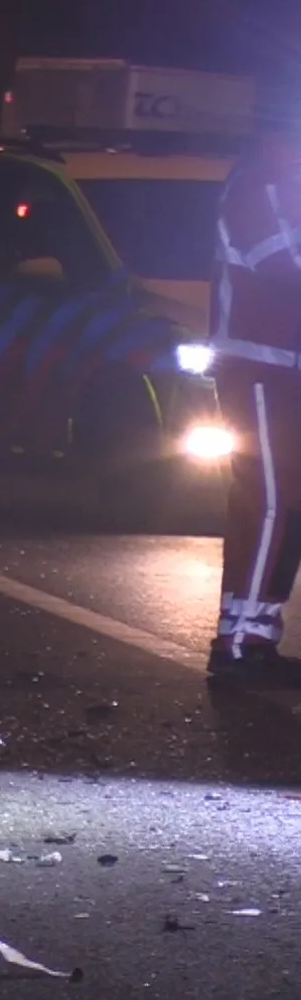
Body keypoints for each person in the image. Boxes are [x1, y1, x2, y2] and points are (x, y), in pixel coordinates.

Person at [207, 118, 301, 685]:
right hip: (258, 365)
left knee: (285, 507)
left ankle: (258, 633)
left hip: (285, 366)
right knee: (267, 503)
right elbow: (284, 268)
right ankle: (237, 643)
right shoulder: (258, 186)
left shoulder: (282, 182)